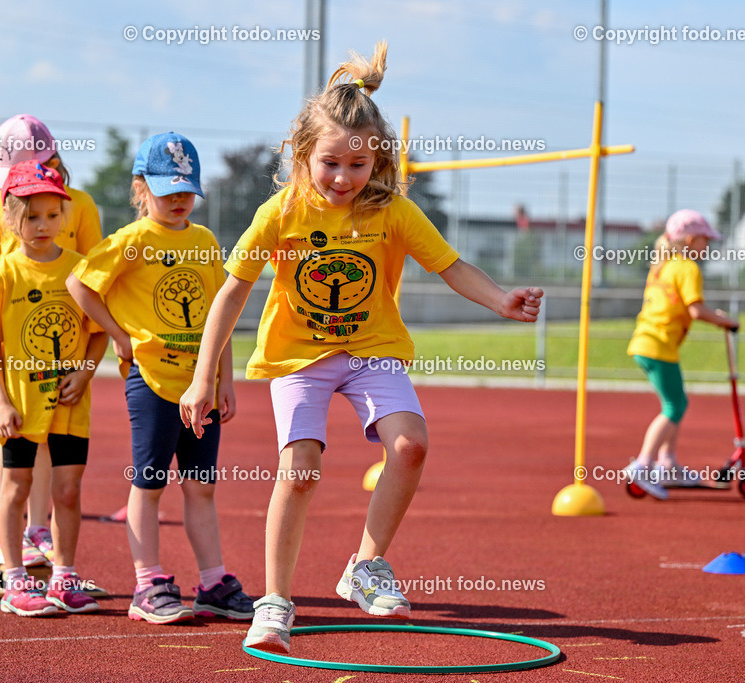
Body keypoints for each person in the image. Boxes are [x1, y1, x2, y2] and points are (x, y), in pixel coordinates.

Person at [178, 41, 544, 654]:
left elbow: (450, 266)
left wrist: (501, 300)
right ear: (302, 157)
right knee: (300, 473)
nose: (344, 178)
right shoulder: (280, 213)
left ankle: (366, 567)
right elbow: (231, 294)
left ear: (377, 163)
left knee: (412, 445)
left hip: (373, 349)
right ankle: (276, 600)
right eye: (330, 164)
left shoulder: (394, 212)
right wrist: (201, 377)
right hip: (300, 356)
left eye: (358, 165)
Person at [67, 132, 254, 625]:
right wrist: (117, 336)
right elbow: (79, 284)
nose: (177, 200)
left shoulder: (205, 241)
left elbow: (222, 315)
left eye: (185, 190)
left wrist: (225, 381)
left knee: (201, 486)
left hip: (200, 389)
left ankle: (213, 582)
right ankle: (147, 582)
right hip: (151, 381)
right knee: (148, 484)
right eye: (166, 189)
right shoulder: (132, 242)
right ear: (140, 190)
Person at [0, 161, 107, 616]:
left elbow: (99, 331)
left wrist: (85, 373)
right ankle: (14, 580)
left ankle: (64, 576)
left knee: (68, 492)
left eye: (53, 215)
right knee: (15, 489)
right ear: (11, 219)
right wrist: (0, 400)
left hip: (71, 406)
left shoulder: (79, 270)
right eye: (32, 216)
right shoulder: (4, 275)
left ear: (65, 217)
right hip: (21, 408)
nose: (43, 225)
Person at [624, 209, 739, 500]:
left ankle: (668, 465)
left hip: (646, 342)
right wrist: (727, 321)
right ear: (690, 240)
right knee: (674, 407)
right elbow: (696, 311)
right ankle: (644, 464)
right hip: (659, 345)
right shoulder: (687, 268)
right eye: (705, 239)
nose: (708, 245)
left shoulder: (663, 265)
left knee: (675, 403)